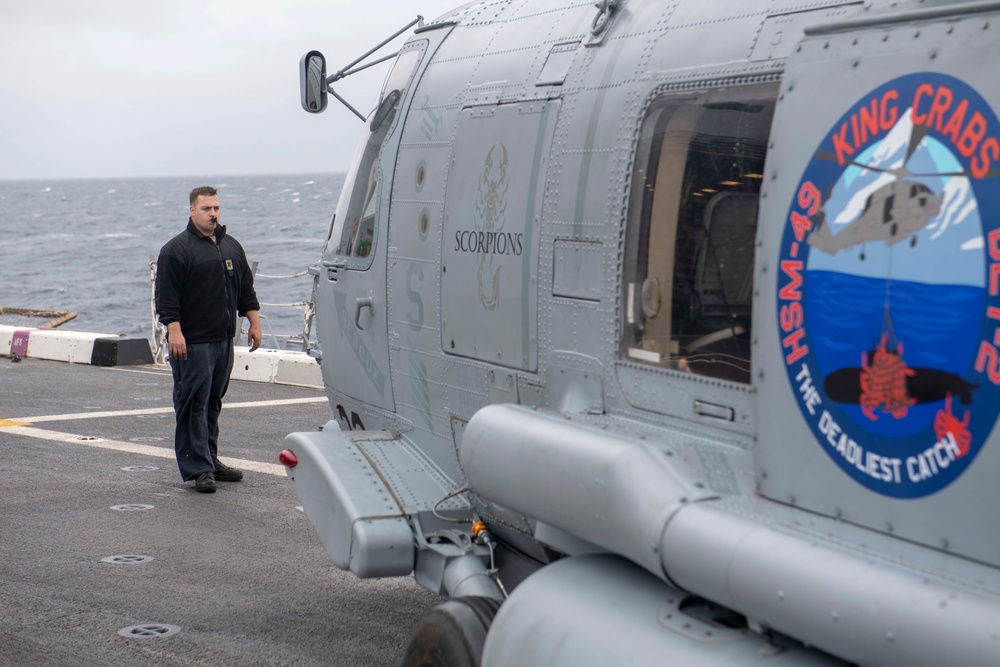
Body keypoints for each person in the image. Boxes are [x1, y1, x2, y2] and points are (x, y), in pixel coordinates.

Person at [155, 186, 262, 493]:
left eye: (216, 208)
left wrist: (253, 322)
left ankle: (210, 460)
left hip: (222, 340)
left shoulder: (231, 246)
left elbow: (246, 290)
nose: (213, 214)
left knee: (212, 402)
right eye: (206, 209)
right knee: (192, 403)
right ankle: (197, 468)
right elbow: (166, 298)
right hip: (192, 342)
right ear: (192, 210)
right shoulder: (176, 250)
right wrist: (174, 330)